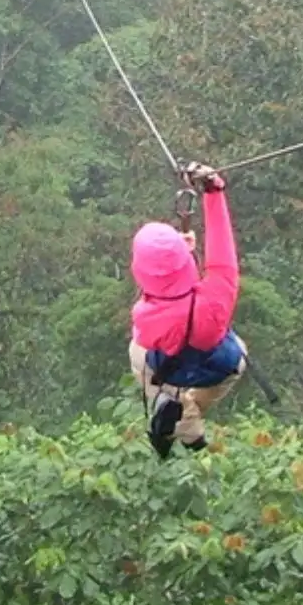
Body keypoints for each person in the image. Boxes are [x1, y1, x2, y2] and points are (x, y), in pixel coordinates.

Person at [129, 163, 244, 458]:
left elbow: (158, 290)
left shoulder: (144, 315)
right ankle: (191, 415)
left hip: (171, 371)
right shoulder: (216, 299)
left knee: (137, 352)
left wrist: (177, 257)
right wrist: (213, 191)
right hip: (217, 368)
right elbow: (222, 253)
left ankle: (178, 414)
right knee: (238, 354)